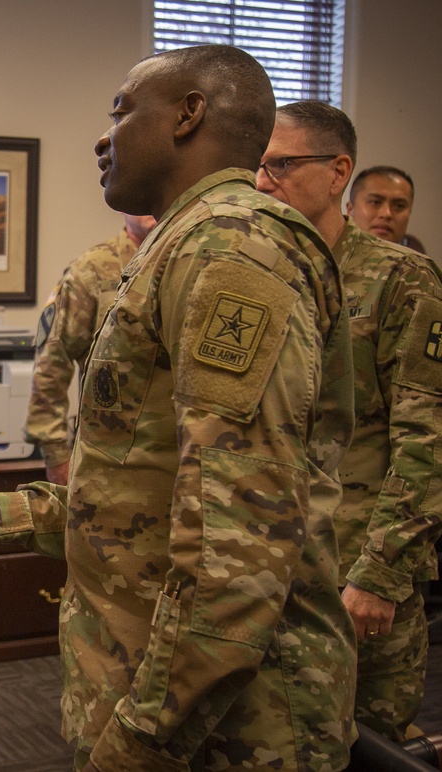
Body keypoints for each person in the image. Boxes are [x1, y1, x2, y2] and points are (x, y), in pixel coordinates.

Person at [0, 45, 358, 770]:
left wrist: (145, 738)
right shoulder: (181, 244)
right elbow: (142, 486)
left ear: (188, 114)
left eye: (122, 112)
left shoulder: (233, 247)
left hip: (229, 729)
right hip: (155, 690)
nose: (103, 137)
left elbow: (240, 544)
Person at [256, 100, 442, 741]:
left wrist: (382, 574)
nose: (261, 181)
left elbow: (427, 438)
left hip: (357, 568)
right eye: (255, 166)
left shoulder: (401, 280)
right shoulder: (260, 273)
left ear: (338, 174)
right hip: (268, 565)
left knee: (369, 742)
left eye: (280, 164)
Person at [25, 213, 156, 484]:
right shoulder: (92, 270)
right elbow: (51, 366)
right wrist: (56, 455)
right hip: (109, 461)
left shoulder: (195, 259)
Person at [347, 165, 426, 252]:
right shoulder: (331, 260)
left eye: (399, 206)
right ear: (350, 209)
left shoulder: (418, 264)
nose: (386, 213)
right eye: (375, 202)